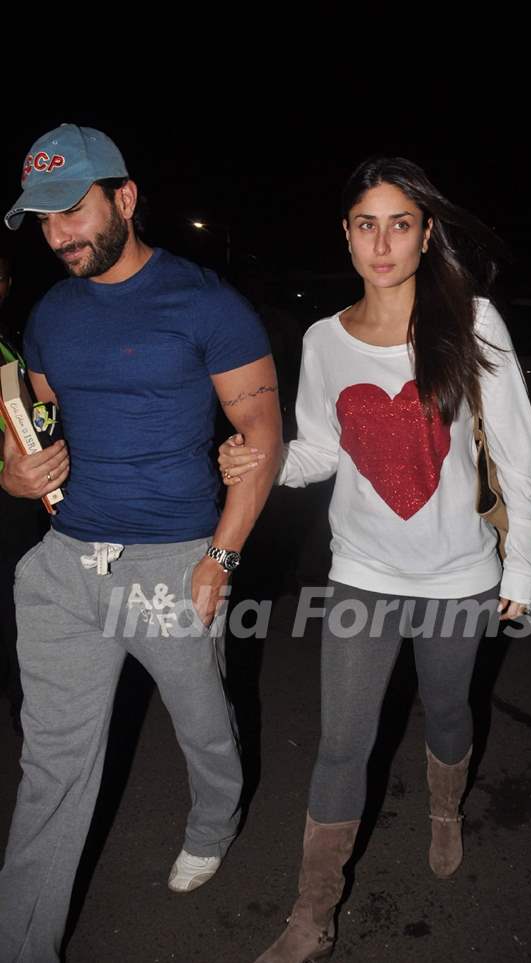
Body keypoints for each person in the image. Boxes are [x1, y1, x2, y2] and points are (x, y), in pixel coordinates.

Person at [219, 156, 531, 963]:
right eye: (366, 224)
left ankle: (445, 806)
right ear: (346, 234)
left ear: (426, 232)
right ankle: (311, 912)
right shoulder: (326, 339)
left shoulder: (469, 320)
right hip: (362, 571)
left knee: (445, 711)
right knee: (341, 742)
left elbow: (518, 452)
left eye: (400, 223)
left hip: (459, 578)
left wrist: (523, 564)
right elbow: (323, 449)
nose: (382, 242)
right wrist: (255, 460)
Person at [0, 124, 282, 963]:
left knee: (204, 724)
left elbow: (260, 428)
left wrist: (221, 555)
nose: (58, 235)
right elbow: (36, 417)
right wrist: (16, 473)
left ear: (124, 198)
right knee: (49, 772)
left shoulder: (206, 303)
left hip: (174, 558)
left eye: (72, 211)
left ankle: (215, 815)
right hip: (63, 567)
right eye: (42, 220)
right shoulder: (50, 313)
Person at [0, 254, 48, 734]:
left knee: (19, 608)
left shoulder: (8, 339)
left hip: (17, 499)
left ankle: (26, 709)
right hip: (8, 487)